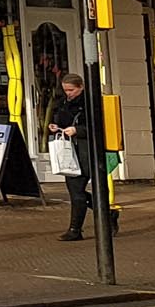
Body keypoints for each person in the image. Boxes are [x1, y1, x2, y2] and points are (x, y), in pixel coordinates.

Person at [48, 72, 119, 242]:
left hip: (88, 151)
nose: (68, 93)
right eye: (65, 90)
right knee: (76, 191)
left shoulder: (91, 103)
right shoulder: (64, 102)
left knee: (85, 190)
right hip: (71, 151)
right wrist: (56, 126)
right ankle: (80, 227)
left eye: (71, 90)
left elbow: (98, 127)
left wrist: (78, 130)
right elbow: (63, 119)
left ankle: (79, 228)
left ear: (80, 87)